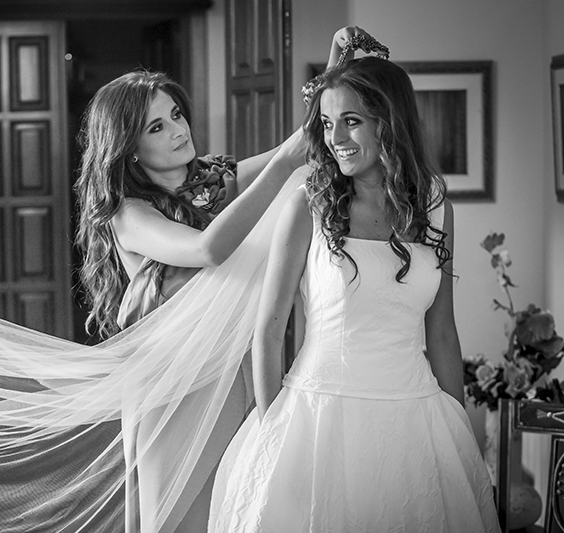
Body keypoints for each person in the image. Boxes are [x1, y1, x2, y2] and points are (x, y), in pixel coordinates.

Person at [73, 27, 386, 533]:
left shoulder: (217, 178)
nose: (178, 130)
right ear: (129, 149)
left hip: (233, 373)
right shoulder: (128, 214)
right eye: (156, 127)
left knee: (236, 509)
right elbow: (208, 249)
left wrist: (336, 61)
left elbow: (305, 147)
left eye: (176, 114)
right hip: (171, 387)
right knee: (179, 519)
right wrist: (281, 164)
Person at [208, 46, 500, 532]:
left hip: (416, 416)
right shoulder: (309, 205)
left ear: (390, 122)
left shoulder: (435, 208)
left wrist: (459, 435)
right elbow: (270, 328)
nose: (335, 139)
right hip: (317, 416)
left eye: (351, 121)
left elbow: (443, 331)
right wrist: (271, 427)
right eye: (327, 124)